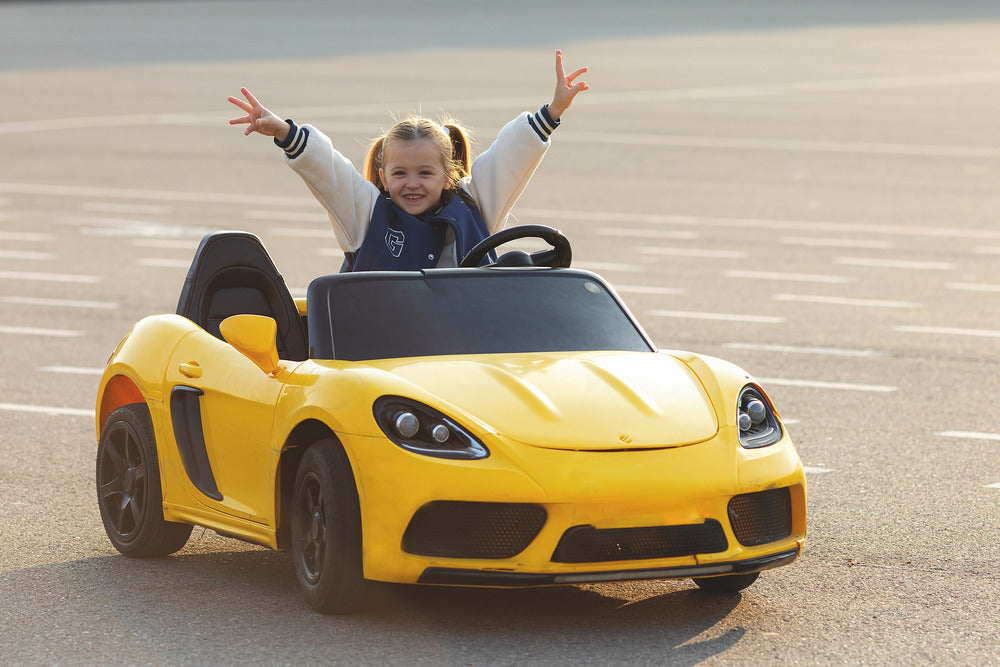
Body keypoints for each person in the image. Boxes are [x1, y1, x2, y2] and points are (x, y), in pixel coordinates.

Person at [227, 51, 588, 271]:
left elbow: (510, 158)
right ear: (383, 176)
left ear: (449, 175)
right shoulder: (366, 215)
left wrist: (553, 110)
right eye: (400, 173)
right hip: (383, 363)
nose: (411, 183)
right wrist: (283, 132)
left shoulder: (474, 207)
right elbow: (329, 172)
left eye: (425, 173)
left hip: (469, 358)